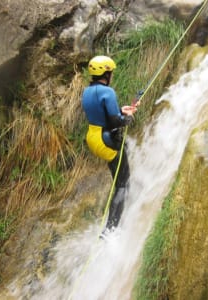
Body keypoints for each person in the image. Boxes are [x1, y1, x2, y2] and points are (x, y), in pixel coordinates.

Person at [81, 55, 137, 232]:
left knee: (119, 176)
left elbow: (102, 115)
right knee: (122, 183)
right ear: (106, 73)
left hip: (94, 137)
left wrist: (121, 111)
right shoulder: (108, 92)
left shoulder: (87, 92)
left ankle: (114, 222)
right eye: (110, 72)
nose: (111, 74)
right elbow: (114, 121)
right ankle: (110, 230)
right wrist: (126, 119)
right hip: (106, 140)